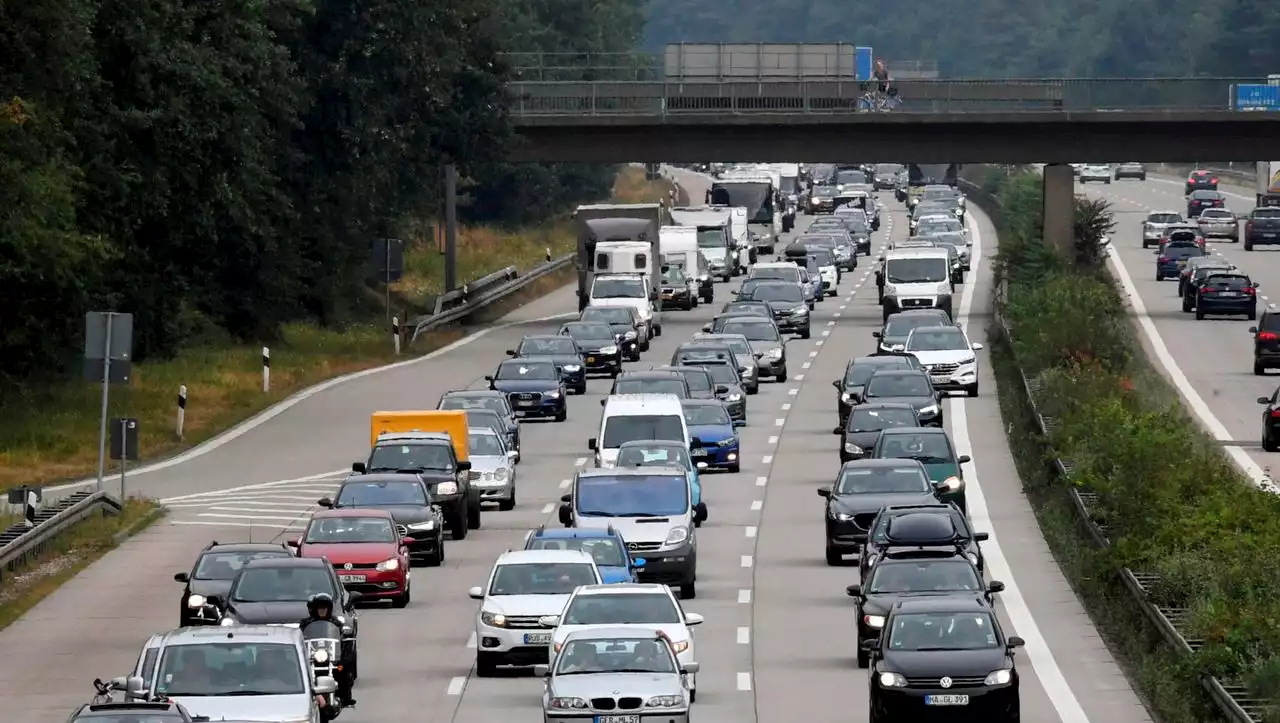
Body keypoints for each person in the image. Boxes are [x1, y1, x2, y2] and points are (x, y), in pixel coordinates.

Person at [299, 593, 355, 707]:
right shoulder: (306, 623)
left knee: (342, 669)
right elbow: (299, 636)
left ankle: (345, 697)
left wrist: (345, 637)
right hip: (311, 656)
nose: (322, 610)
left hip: (331, 656)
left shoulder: (336, 623)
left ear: (329, 609)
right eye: (320, 608)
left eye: (325, 608)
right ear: (315, 609)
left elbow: (342, 637)